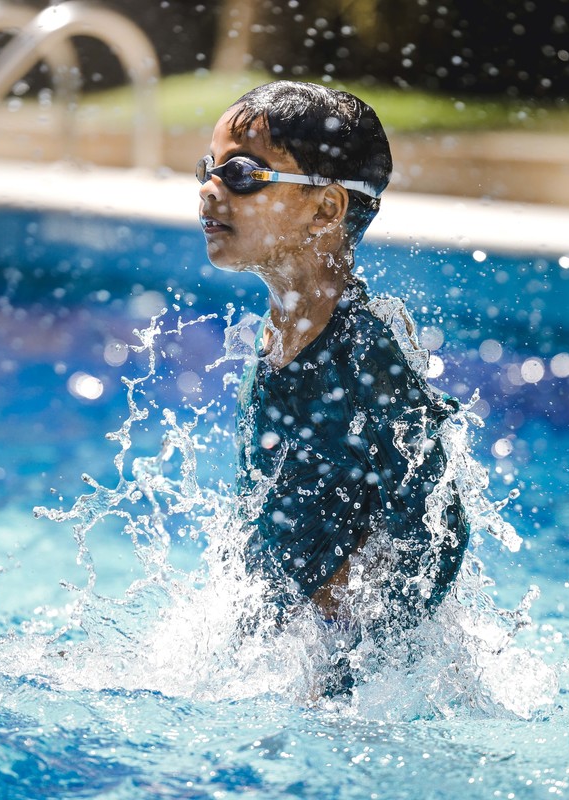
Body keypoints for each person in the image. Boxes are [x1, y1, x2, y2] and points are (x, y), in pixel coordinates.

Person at [195, 80, 469, 650]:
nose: (209, 189)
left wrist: (344, 625)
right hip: (274, 644)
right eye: (208, 169)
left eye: (241, 173)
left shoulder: (365, 352)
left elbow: (441, 525)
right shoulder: (277, 332)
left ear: (325, 208)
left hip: (338, 664)